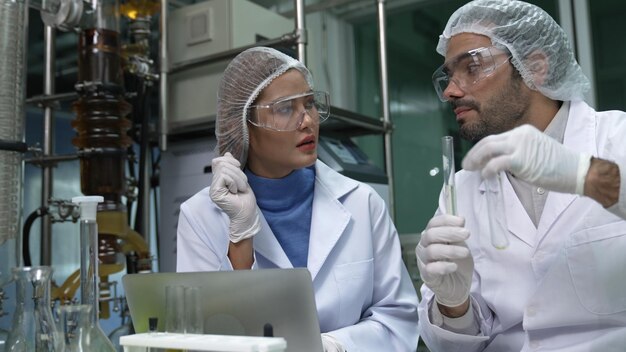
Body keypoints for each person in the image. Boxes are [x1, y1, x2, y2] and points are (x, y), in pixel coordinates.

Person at [176, 47, 419, 352]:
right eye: (285, 108)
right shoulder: (200, 216)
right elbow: (202, 338)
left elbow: (399, 319)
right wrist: (240, 240)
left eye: (310, 104)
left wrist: (334, 345)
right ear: (242, 123)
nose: (307, 121)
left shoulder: (363, 203)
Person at [416, 0, 626, 351]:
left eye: (472, 67)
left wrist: (583, 174)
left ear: (535, 67)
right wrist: (454, 303)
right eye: (448, 76)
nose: (451, 91)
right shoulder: (463, 186)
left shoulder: (618, 138)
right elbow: (456, 346)